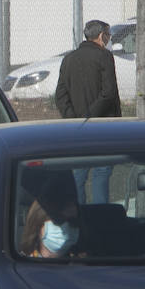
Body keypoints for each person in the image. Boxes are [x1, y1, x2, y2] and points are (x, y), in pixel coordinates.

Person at [55, 19, 120, 203]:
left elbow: (60, 95)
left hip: (76, 129)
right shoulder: (104, 57)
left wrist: (73, 119)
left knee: (78, 173)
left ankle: (79, 217)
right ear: (101, 36)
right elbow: (108, 93)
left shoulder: (69, 59)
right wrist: (90, 117)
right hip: (103, 127)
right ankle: (100, 219)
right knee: (101, 172)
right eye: (108, 35)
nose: (108, 39)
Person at [19, 171, 81, 258]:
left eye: (72, 221)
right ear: (38, 225)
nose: (66, 227)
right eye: (59, 220)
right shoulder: (22, 264)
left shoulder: (81, 263)